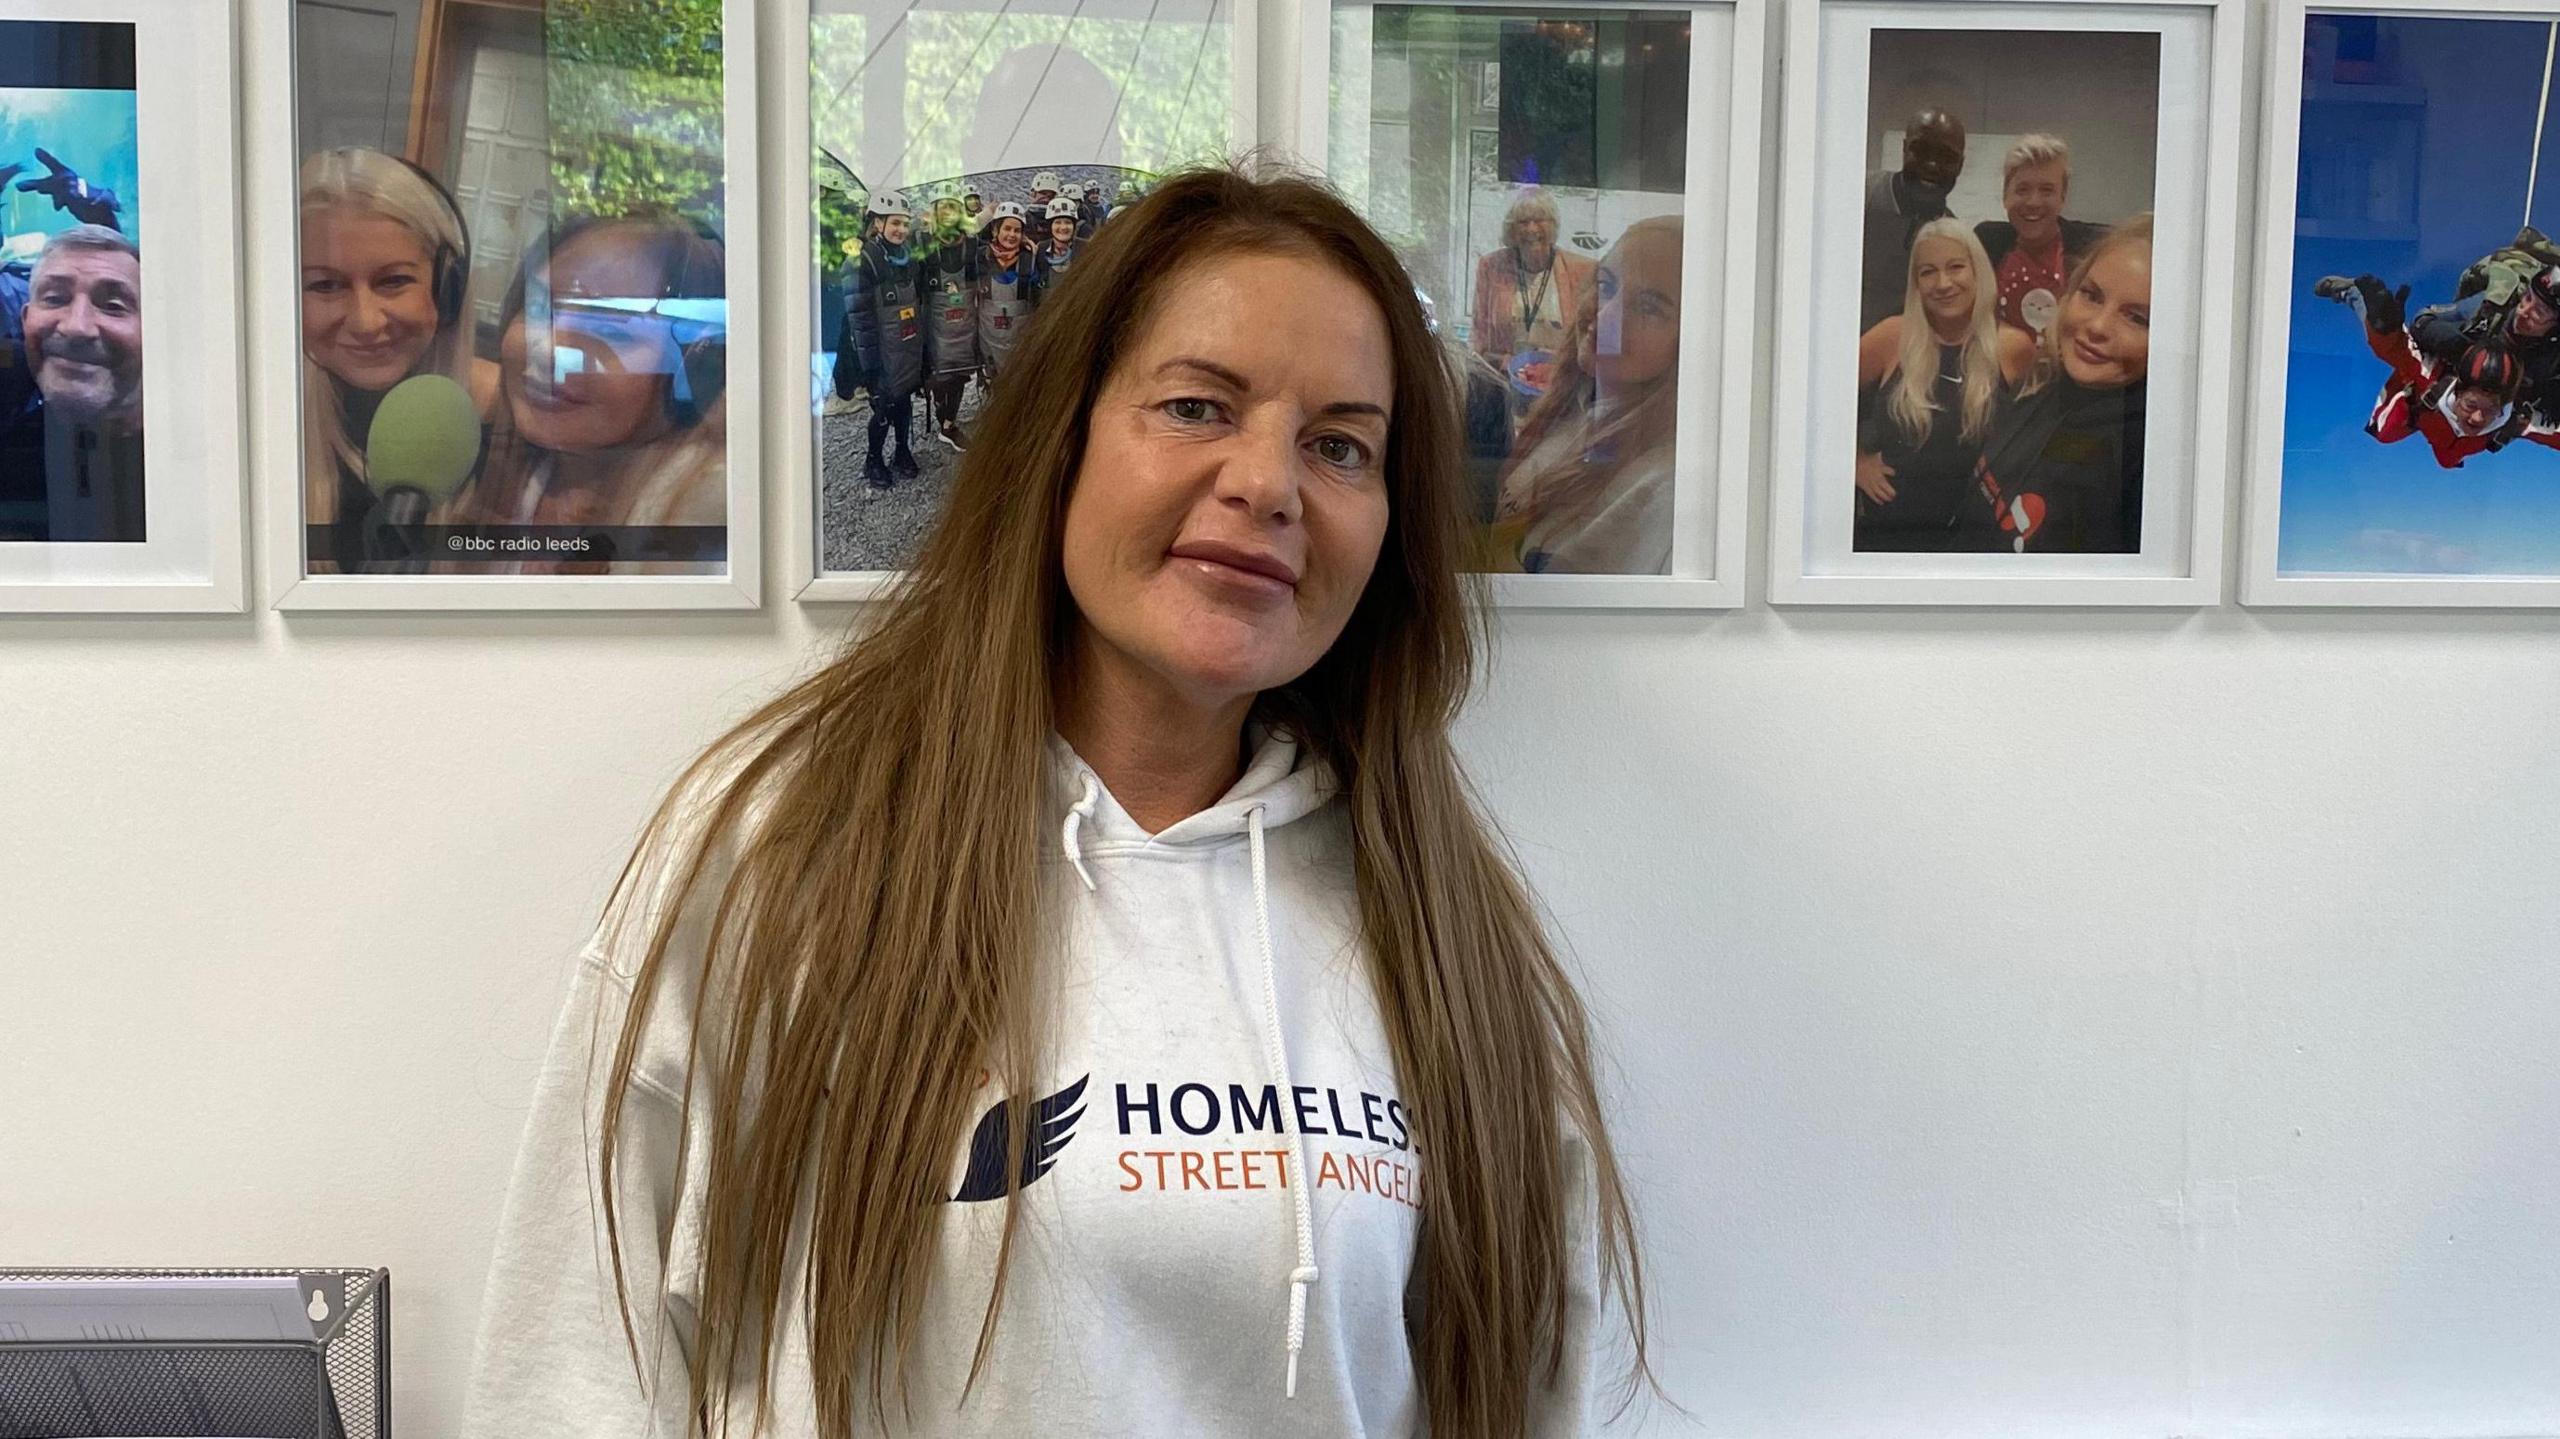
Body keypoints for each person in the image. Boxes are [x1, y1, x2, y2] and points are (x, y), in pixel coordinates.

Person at [462, 165, 1655, 1438]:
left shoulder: (1445, 934)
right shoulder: (782, 846)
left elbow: (1535, 1388)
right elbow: (574, 1362)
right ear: (1061, 435)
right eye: (1197, 405)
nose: (1269, 483)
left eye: (1340, 444)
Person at [447, 211, 728, 572]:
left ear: (694, 368)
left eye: (609, 331)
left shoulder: (711, 518)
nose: (548, 351)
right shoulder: (498, 469)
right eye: (537, 310)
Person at [297, 146, 490, 573]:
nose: (366, 322)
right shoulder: (261, 432)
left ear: (447, 286)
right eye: (326, 286)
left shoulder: (508, 425)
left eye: (394, 281)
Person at [1487, 216, 1683, 574]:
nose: (1604, 316)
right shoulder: (1579, 407)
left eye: (1649, 307)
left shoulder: (1664, 486)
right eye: (1606, 285)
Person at [1961, 215, 2152, 553]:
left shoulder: (2147, 460)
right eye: (2091, 296)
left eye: (2137, 318)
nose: (2097, 326)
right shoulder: (2039, 385)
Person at [1853, 220, 2035, 551]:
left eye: (1955, 267)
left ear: (1977, 272)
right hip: (1888, 535)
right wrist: (1855, 461)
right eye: (1928, 272)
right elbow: (1816, 398)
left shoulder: (2012, 347)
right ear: (1916, 283)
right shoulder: (1892, 336)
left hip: (1976, 539)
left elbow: (2037, 439)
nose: (1943, 283)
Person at [2316, 272, 2557, 468]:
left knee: (2447, 459)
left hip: (2460, 437)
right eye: (2528, 300)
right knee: (2385, 431)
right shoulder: (2490, 310)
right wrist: (2381, 322)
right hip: (2436, 391)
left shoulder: (2518, 413)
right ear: (2459, 391)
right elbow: (2398, 347)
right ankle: (2353, 292)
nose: (2477, 418)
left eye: (2540, 312)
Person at [0, 224, 145, 542]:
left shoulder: (202, 463)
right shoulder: (12, 454)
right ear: (25, 322)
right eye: (54, 299)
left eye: (113, 306)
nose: (77, 327)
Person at [1469, 188, 1593, 411]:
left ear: (1553, 225)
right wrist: (1500, 362)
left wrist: (1562, 363)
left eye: (1539, 220)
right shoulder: (1491, 266)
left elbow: (1591, 339)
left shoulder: (1582, 270)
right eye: (1523, 222)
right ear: (1511, 229)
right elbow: (1479, 335)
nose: (1531, 229)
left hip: (1560, 393)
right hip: (1506, 389)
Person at [1972, 134, 2108, 335]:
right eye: (2022, 189)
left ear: (2063, 196)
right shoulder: (1986, 243)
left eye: (2046, 190)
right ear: (2005, 194)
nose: (2033, 202)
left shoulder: (2094, 247)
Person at [837, 189, 927, 489]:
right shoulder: (861, 262)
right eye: (894, 223)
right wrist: (870, 370)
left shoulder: (908, 258)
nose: (901, 230)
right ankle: (873, 458)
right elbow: (859, 322)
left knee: (902, 401)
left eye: (904, 223)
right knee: (882, 408)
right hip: (879, 351)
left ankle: (902, 451)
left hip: (905, 344)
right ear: (877, 223)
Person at [1861, 106, 1966, 331]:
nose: (1931, 164)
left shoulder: (1955, 240)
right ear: (1904, 149)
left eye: (1946, 157)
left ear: (1960, 165)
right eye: (1921, 150)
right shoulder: (1858, 197)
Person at [919, 192, 981, 452]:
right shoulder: (921, 243)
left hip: (963, 325)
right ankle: (943, 418)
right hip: (934, 325)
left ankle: (948, 423)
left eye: (952, 208)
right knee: (938, 376)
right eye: (942, 208)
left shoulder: (973, 244)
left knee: (959, 374)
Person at [974, 199, 1038, 391]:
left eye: (1017, 230)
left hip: (1019, 349)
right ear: (995, 231)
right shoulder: (980, 258)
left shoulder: (1031, 260)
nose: (1011, 234)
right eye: (1007, 228)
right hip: (989, 347)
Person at [1035, 194, 1083, 286]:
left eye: (1068, 222)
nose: (1063, 227)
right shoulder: (1040, 249)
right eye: (1057, 222)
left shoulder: (1085, 248)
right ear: (1050, 226)